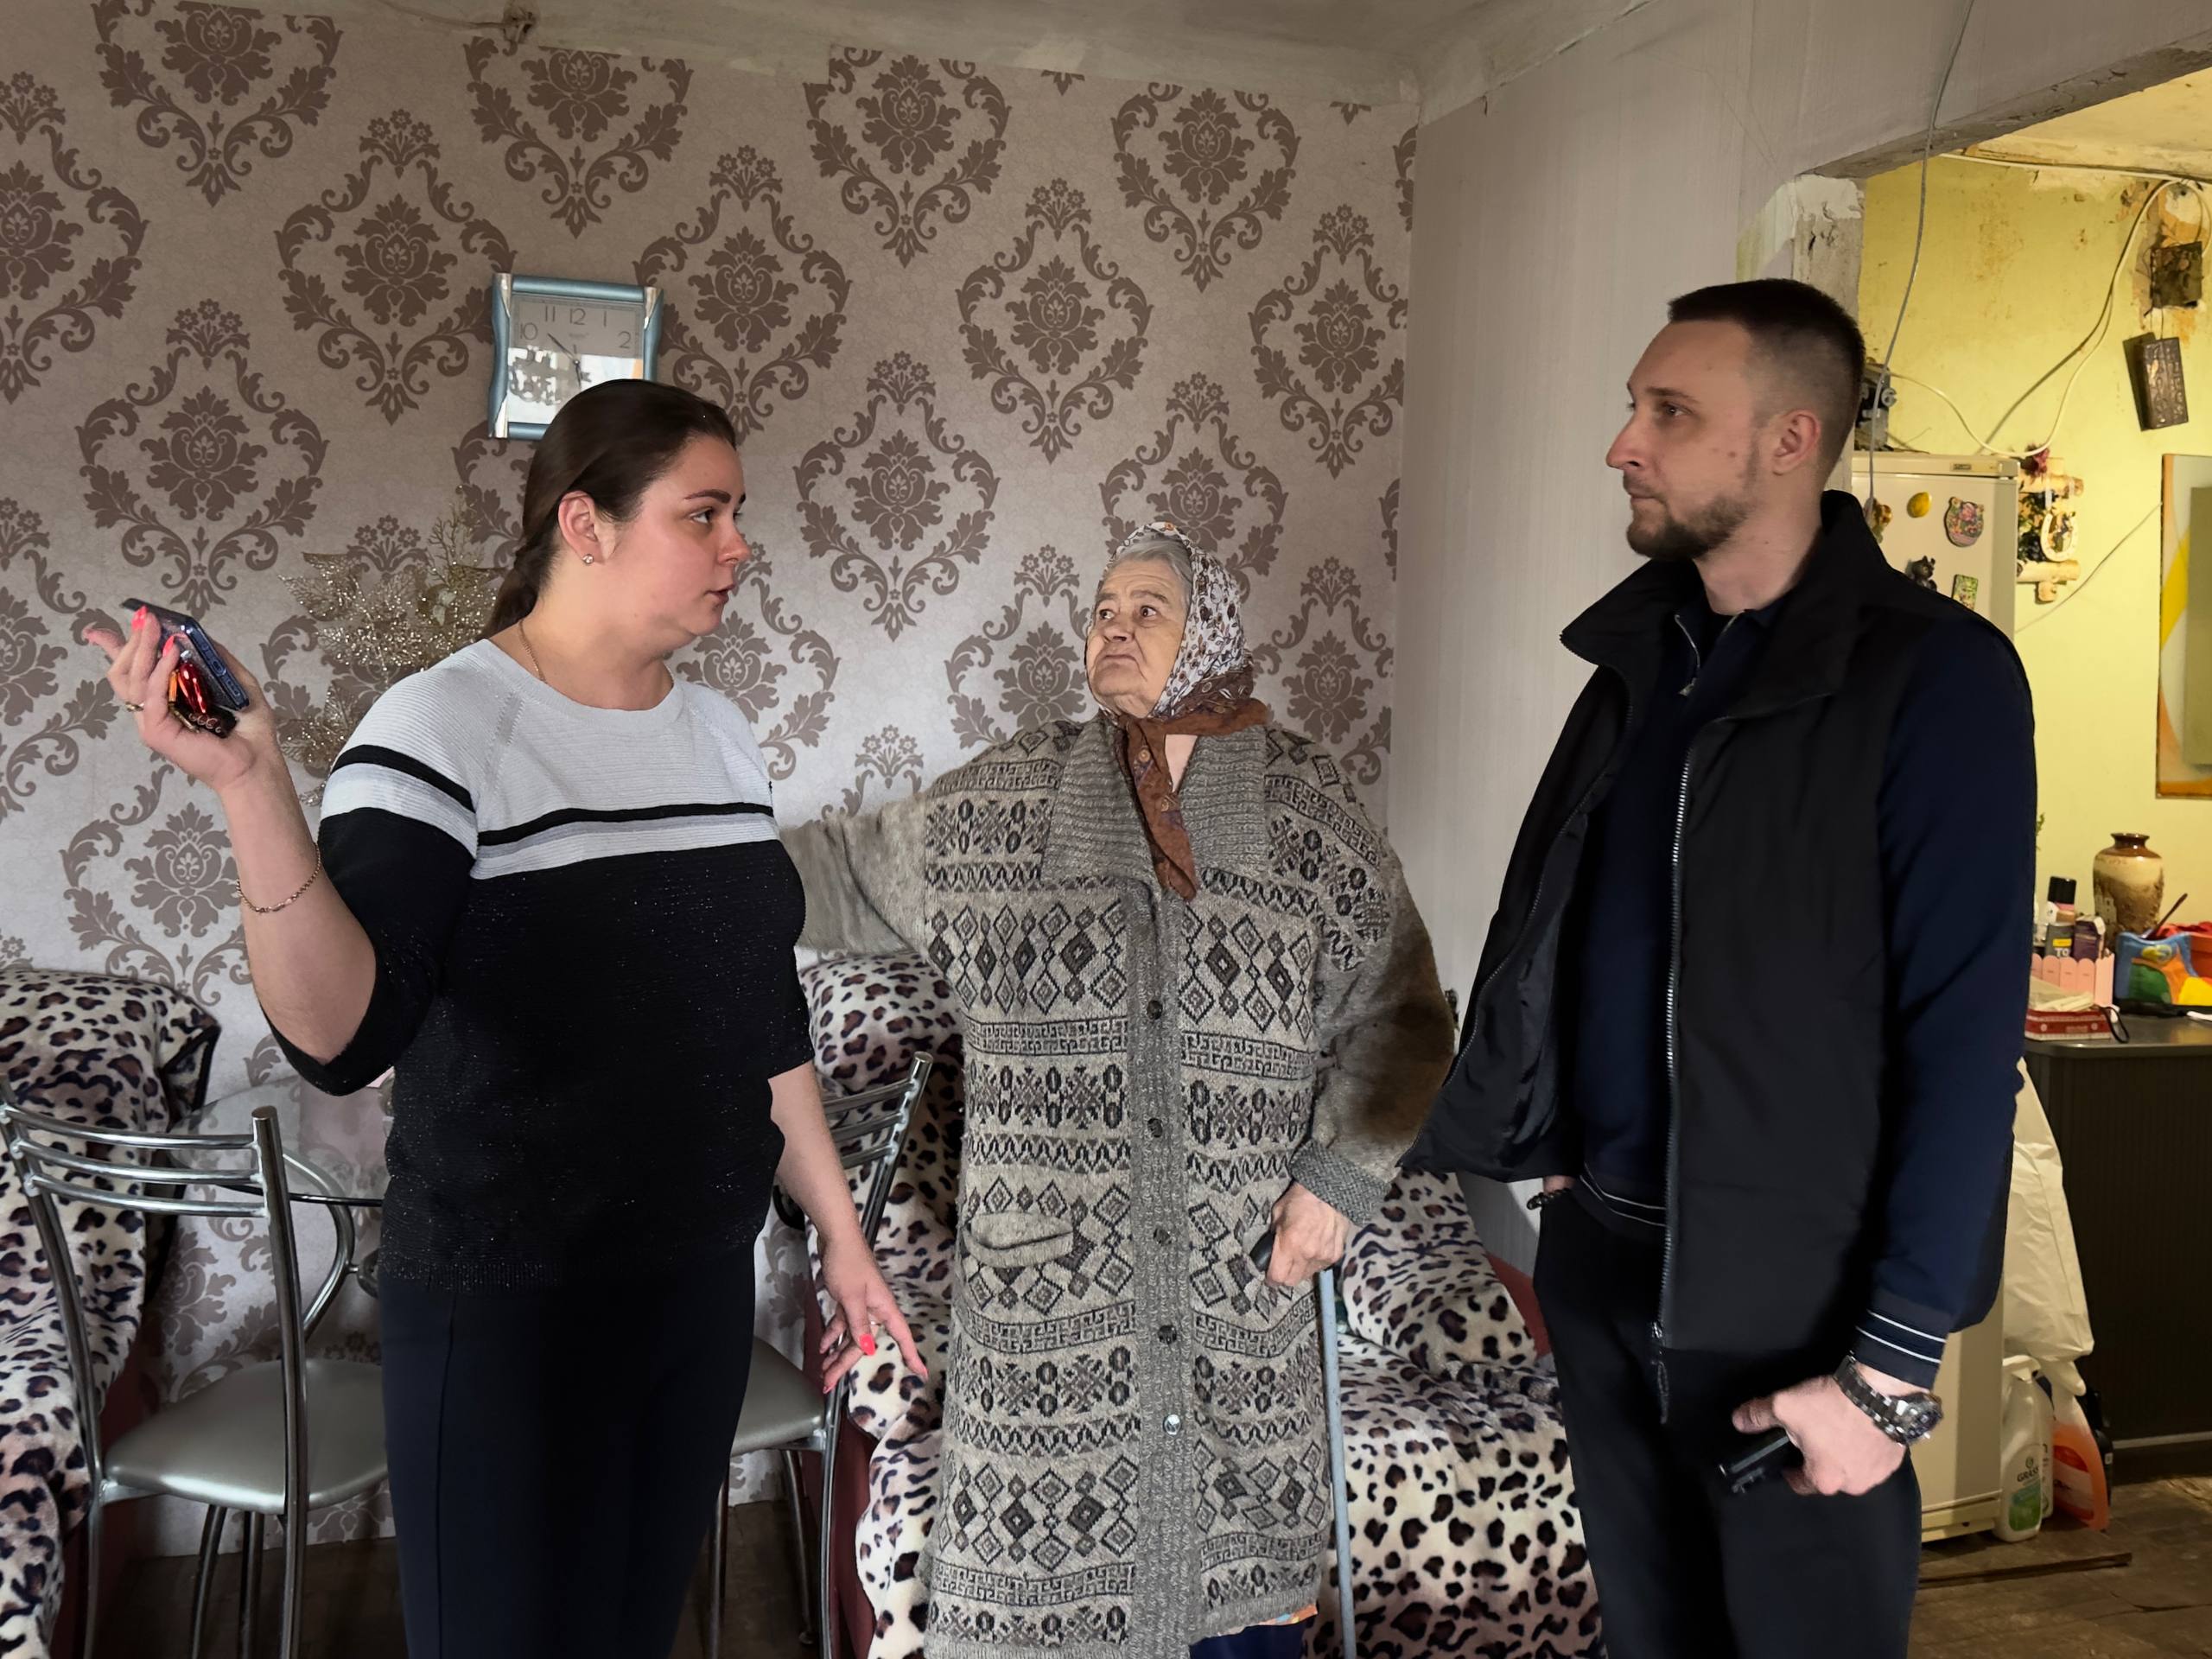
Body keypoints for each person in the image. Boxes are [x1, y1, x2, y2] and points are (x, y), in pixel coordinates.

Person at [86, 379, 924, 1659]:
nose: (739, 546)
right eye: (704, 514)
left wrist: (844, 1243)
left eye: (737, 515)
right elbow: (343, 1037)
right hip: (508, 1311)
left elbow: (762, 1019)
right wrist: (252, 785)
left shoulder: (720, 739)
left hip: (698, 1287)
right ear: (586, 525)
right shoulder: (442, 725)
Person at [1406, 278, 2035, 1657]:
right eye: (1634, 408)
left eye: (1670, 413)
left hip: (1795, 1313)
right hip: (1606, 1260)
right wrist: (1557, 1161)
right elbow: (1563, 927)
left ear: (1792, 439)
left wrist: (1895, 1366)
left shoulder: (1934, 679)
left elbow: (1964, 1041)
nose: (1623, 444)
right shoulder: (1641, 660)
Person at [785, 521, 1454, 1658]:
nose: (1115, 627)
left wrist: (1338, 1184)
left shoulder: (1306, 814)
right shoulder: (1009, 799)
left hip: (1238, 1298)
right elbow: (835, 872)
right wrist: (680, 856)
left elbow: (1402, 1015)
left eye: (1149, 608)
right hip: (1045, 1331)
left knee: (1242, 1612)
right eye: (1102, 609)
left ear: (1215, 635)